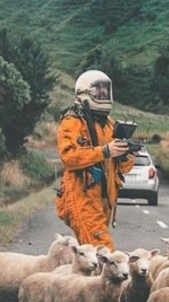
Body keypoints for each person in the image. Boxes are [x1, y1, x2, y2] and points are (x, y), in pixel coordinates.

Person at [55, 70, 135, 251]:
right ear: (84, 92)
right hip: (82, 197)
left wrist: (126, 156)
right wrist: (105, 151)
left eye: (106, 91)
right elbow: (68, 157)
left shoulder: (108, 124)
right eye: (99, 91)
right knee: (104, 252)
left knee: (92, 258)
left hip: (103, 200)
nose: (103, 95)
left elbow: (120, 168)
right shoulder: (72, 122)